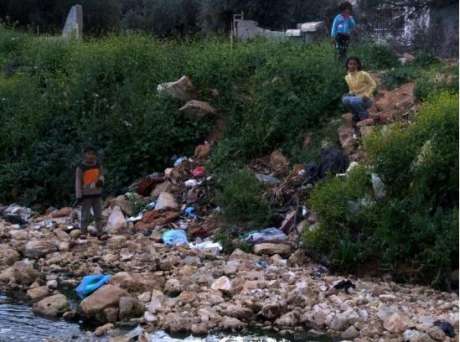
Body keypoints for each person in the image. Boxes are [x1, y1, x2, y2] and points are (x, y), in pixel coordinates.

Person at [75, 146, 105, 237]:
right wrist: (79, 195)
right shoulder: (81, 167)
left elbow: (101, 175)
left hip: (97, 194)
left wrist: (101, 181)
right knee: (85, 216)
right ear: (84, 155)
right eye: (88, 154)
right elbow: (78, 182)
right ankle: (83, 233)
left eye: (92, 154)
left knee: (98, 215)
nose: (91, 156)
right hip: (86, 195)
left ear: (95, 156)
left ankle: (100, 232)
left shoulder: (98, 165)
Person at [342, 56, 377, 126]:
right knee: (345, 99)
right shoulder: (347, 77)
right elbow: (352, 90)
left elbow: (373, 84)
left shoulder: (363, 74)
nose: (352, 66)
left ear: (358, 65)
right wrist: (349, 94)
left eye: (354, 64)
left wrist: (367, 94)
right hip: (356, 98)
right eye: (350, 64)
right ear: (347, 65)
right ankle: (356, 115)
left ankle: (364, 117)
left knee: (354, 101)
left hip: (367, 99)